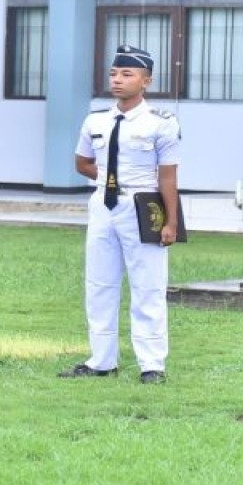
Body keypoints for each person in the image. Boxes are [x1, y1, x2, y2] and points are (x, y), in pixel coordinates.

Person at [60, 45, 181, 385]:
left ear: (147, 80)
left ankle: (152, 365)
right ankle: (101, 361)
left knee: (149, 286)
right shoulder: (95, 119)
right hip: (103, 204)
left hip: (143, 204)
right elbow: (82, 162)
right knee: (99, 284)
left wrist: (171, 221)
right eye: (114, 73)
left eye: (127, 74)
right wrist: (107, 180)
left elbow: (168, 176)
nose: (117, 80)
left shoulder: (162, 124)